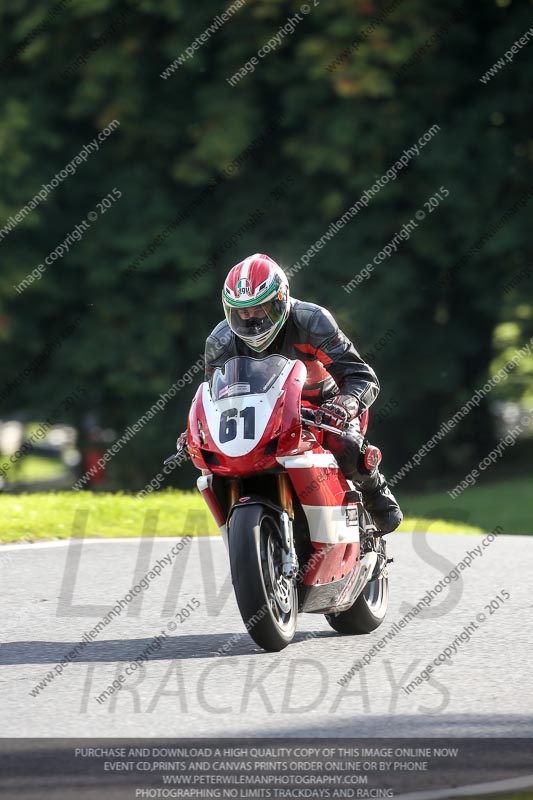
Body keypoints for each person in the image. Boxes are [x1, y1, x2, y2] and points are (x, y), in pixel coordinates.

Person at [200, 252, 402, 533]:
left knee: (345, 444)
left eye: (260, 310)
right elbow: (214, 397)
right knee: (217, 463)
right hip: (264, 415)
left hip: (324, 407)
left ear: (280, 299)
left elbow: (361, 376)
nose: (252, 321)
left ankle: (375, 493)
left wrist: (344, 404)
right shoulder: (220, 341)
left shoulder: (312, 321)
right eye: (243, 312)